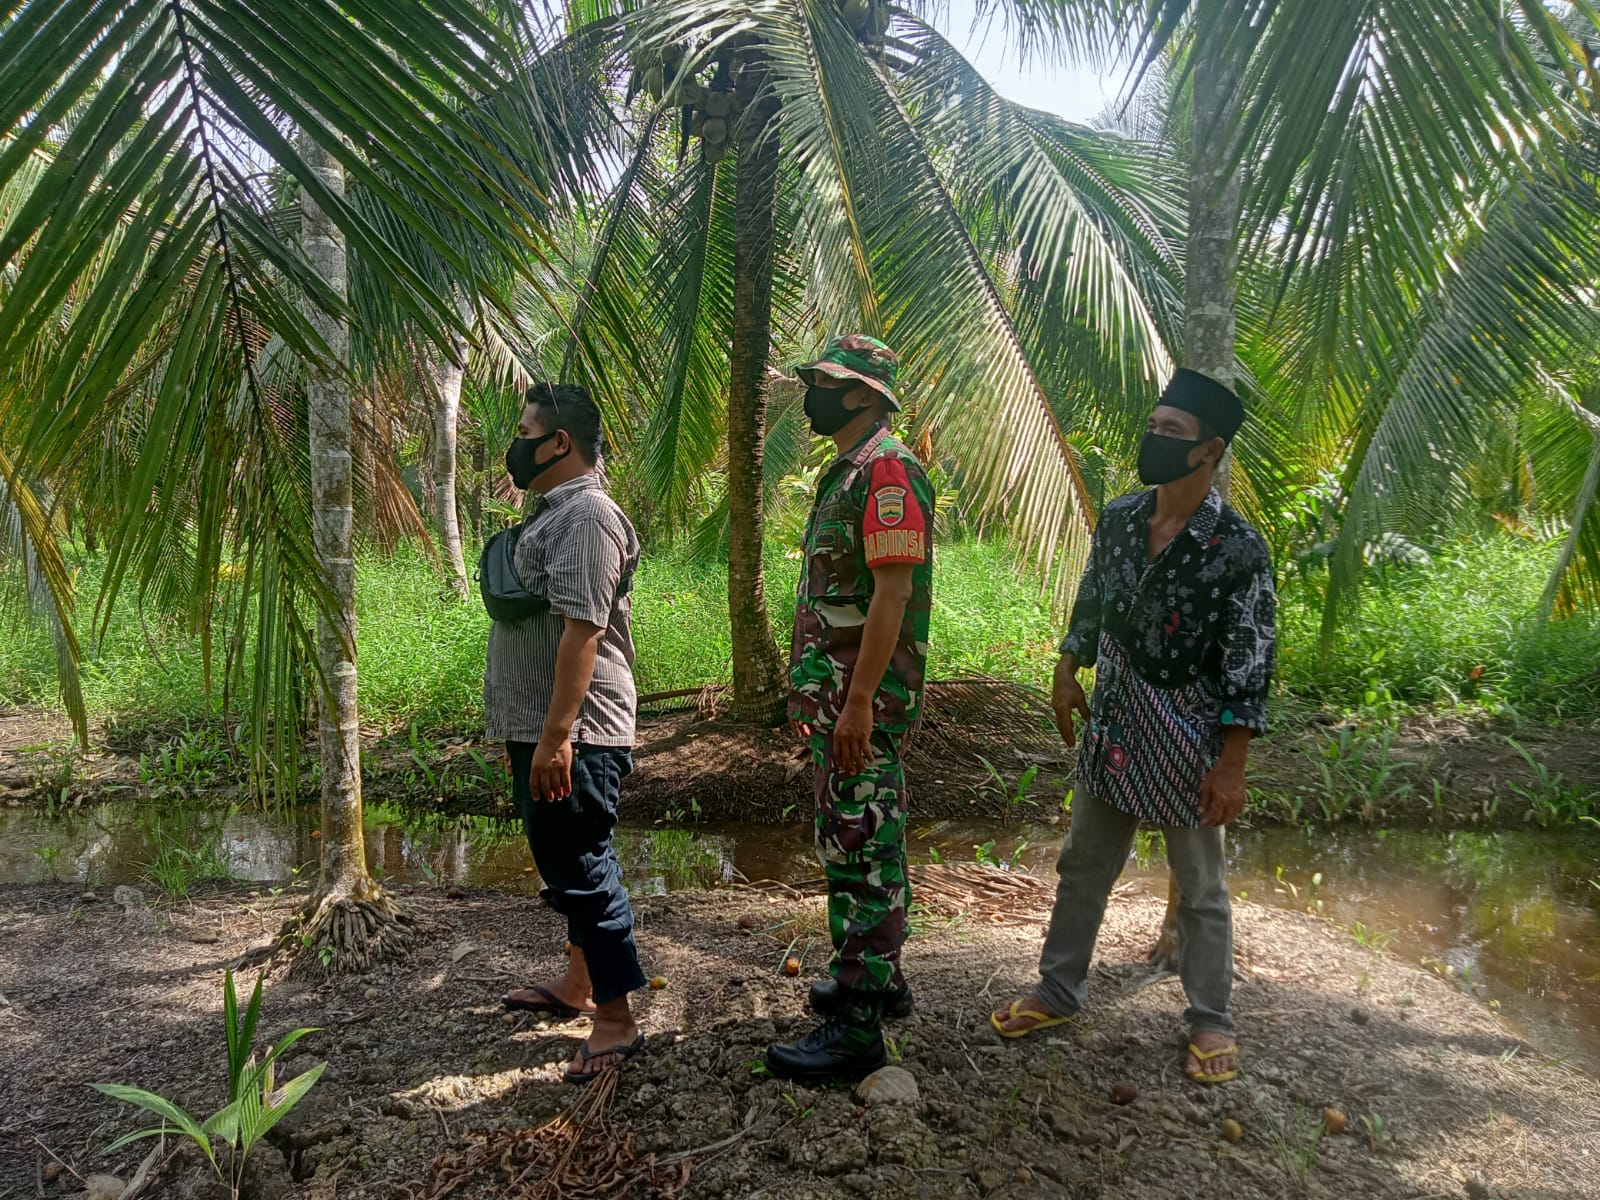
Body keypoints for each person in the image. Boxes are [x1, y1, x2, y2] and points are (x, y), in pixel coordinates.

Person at [991, 368, 1276, 1086]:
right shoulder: (1120, 519)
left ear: (1208, 450)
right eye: (1153, 425)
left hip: (1190, 734)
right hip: (1115, 721)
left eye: (1170, 432)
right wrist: (1067, 666)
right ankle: (1058, 991)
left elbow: (1250, 656)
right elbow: (1092, 603)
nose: (1154, 439)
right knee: (1083, 864)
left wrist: (1232, 764)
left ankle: (1211, 1019)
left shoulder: (1238, 549)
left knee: (1201, 885)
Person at [765, 334, 935, 1081]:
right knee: (859, 834)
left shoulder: (887, 470)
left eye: (828, 383)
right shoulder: (850, 471)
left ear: (865, 394)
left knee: (861, 846)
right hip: (839, 696)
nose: (814, 392)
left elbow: (893, 593)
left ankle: (860, 1029)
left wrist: (860, 703)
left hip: (859, 699)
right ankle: (877, 980)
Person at [483, 381, 648, 1084]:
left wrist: (557, 738)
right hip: (547, 727)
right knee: (562, 863)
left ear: (559, 443)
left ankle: (615, 1020)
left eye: (525, 431)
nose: (515, 444)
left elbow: (584, 629)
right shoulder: (553, 513)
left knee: (582, 865)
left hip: (576, 732)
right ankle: (578, 987)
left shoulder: (586, 515)